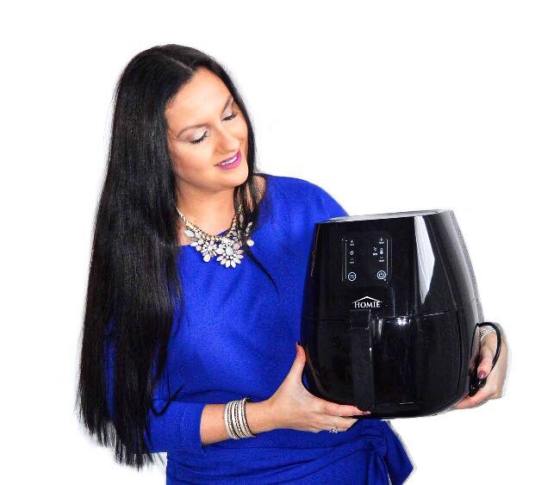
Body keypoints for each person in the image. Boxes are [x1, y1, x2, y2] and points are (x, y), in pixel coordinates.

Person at [76, 44, 508, 484]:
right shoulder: (139, 260)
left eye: (229, 115)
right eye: (199, 136)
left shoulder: (305, 208)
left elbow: (381, 333)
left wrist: (476, 348)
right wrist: (265, 415)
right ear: (153, 151)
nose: (229, 142)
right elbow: (129, 421)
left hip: (348, 468)